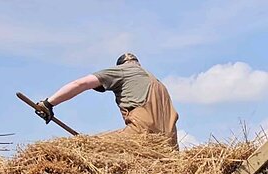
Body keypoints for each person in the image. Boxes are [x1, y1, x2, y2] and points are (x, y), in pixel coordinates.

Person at [35, 53, 179, 149]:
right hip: (168, 147)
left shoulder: (123, 70)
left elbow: (80, 84)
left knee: (86, 146)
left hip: (142, 136)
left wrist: (48, 104)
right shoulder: (158, 83)